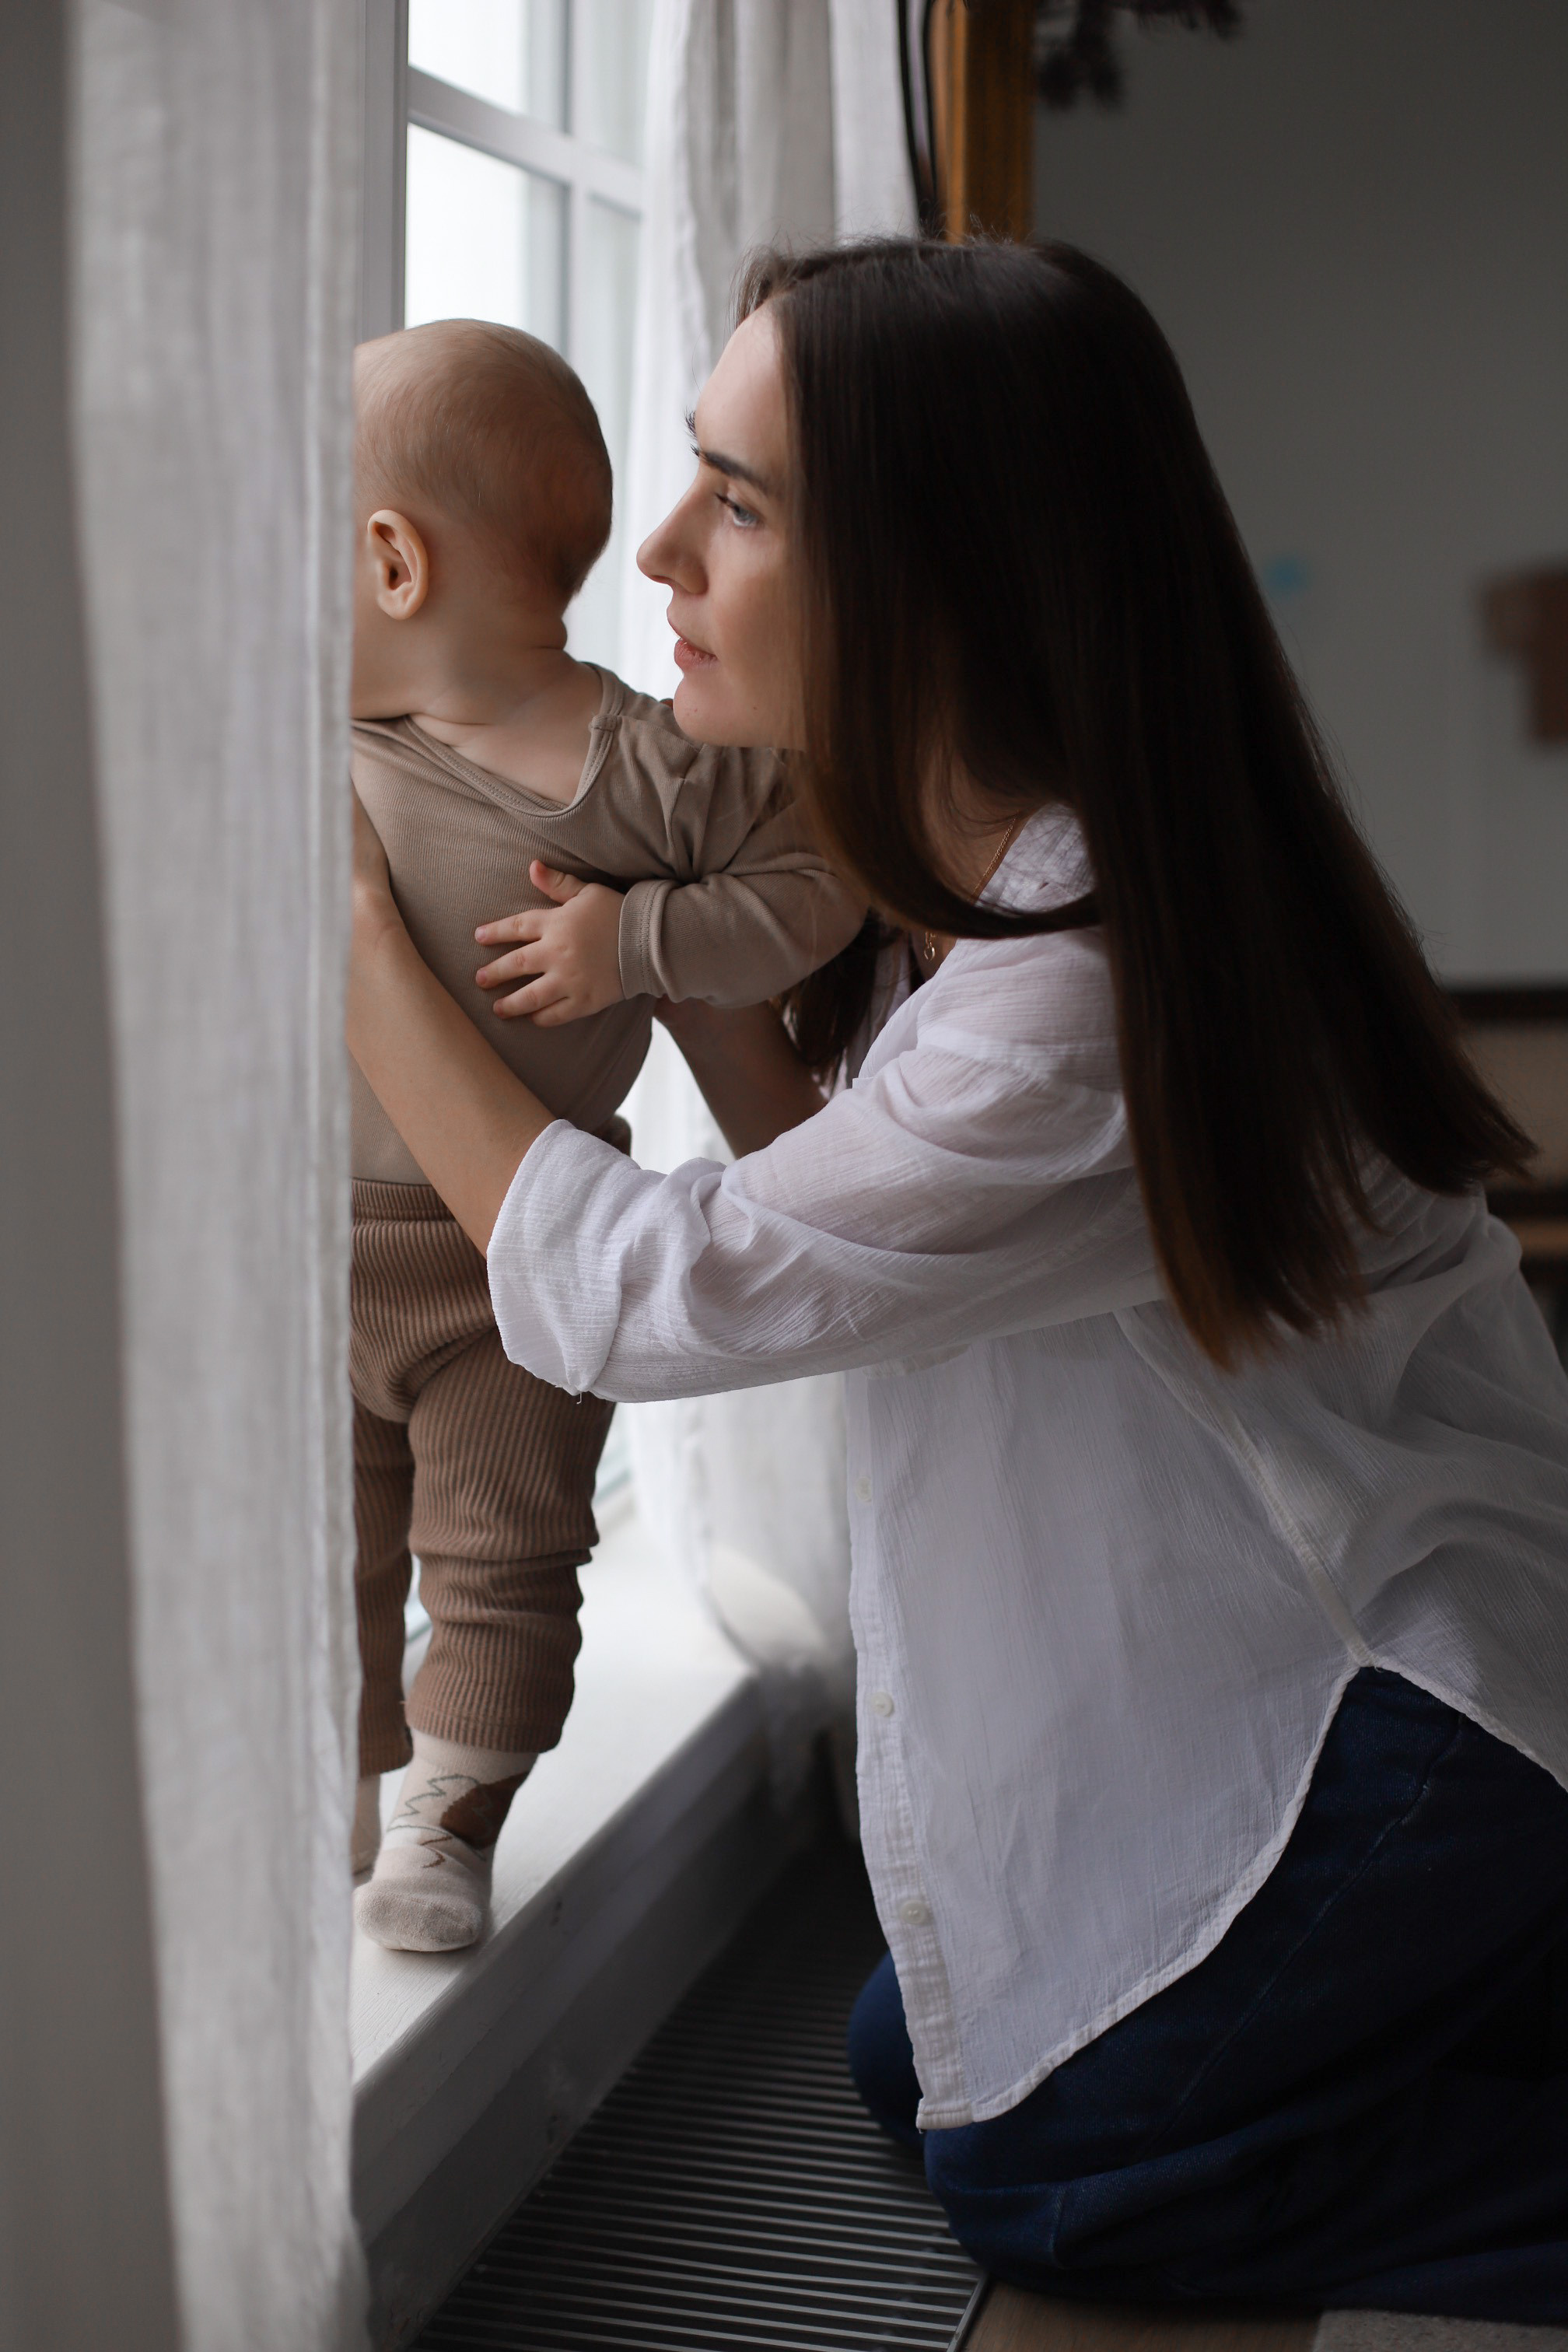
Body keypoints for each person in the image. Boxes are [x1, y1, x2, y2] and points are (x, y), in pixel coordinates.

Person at [345, 241, 1568, 2315]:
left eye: (734, 502)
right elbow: (830, 1204)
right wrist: (658, 931)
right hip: (1273, 1645)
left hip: (1400, 1697)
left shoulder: (1090, 982)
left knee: (1054, 2184)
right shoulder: (976, 877)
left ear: (944, 565)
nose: (651, 557)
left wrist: (350, 941)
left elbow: (655, 1297)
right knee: (916, 2057)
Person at [345, 319, 863, 1951]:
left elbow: (815, 891)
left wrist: (632, 945)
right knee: (319, 1562)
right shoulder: (315, 747)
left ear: (391, 564)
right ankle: (327, 1792)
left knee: (506, 1550)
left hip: (511, 1267)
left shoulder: (639, 766)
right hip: (293, 1255)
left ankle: (450, 1811)